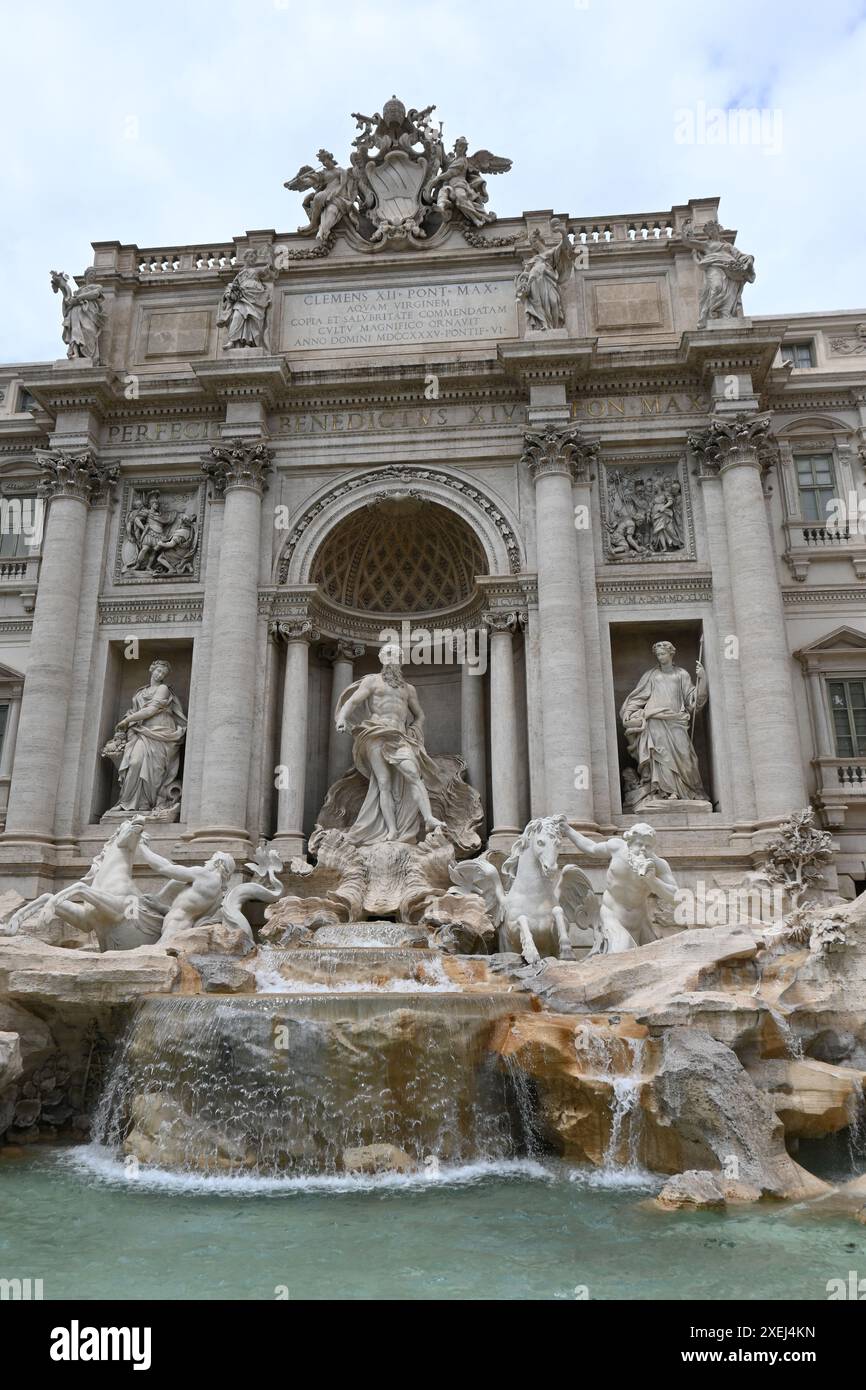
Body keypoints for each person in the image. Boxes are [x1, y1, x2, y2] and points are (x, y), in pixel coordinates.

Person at [335, 643, 446, 844]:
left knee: (413, 773)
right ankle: (392, 830)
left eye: (395, 654)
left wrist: (415, 730)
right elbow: (352, 702)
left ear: (400, 660)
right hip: (375, 733)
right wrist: (342, 718)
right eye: (387, 653)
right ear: (381, 658)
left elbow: (420, 715)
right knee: (383, 782)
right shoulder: (372, 681)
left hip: (400, 736)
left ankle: (428, 818)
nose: (391, 657)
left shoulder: (408, 689)